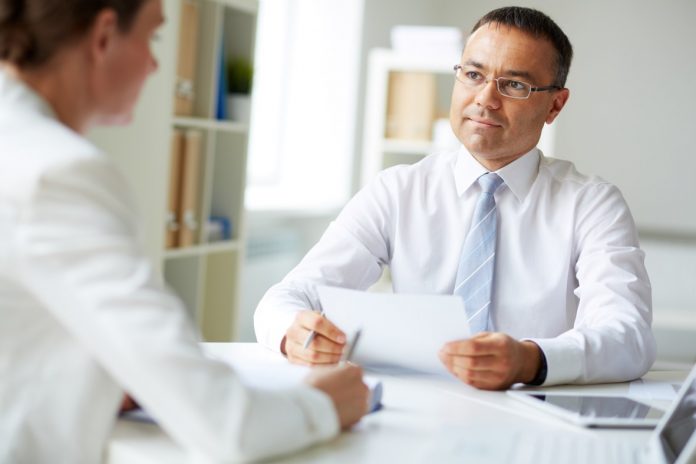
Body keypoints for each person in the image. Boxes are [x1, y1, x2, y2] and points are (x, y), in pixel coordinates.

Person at [0, 1, 369, 462]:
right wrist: (323, 404)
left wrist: (101, 381)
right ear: (103, 35)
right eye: (152, 38)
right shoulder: (60, 173)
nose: (156, 64)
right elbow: (226, 426)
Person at [255, 6, 655, 391]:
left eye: (514, 84)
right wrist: (293, 331)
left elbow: (628, 335)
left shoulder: (592, 204)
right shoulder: (398, 191)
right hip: (417, 411)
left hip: (534, 410)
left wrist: (530, 360)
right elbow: (287, 297)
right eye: (473, 74)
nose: (485, 98)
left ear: (554, 105)